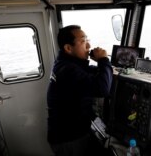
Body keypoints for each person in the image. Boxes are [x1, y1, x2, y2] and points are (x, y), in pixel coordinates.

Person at [47, 25, 113, 156]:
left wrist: (105, 67)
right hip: (68, 138)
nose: (88, 45)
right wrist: (104, 60)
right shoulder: (67, 70)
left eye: (87, 40)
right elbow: (102, 89)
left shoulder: (65, 63)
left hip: (69, 131)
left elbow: (88, 73)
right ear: (68, 48)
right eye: (83, 41)